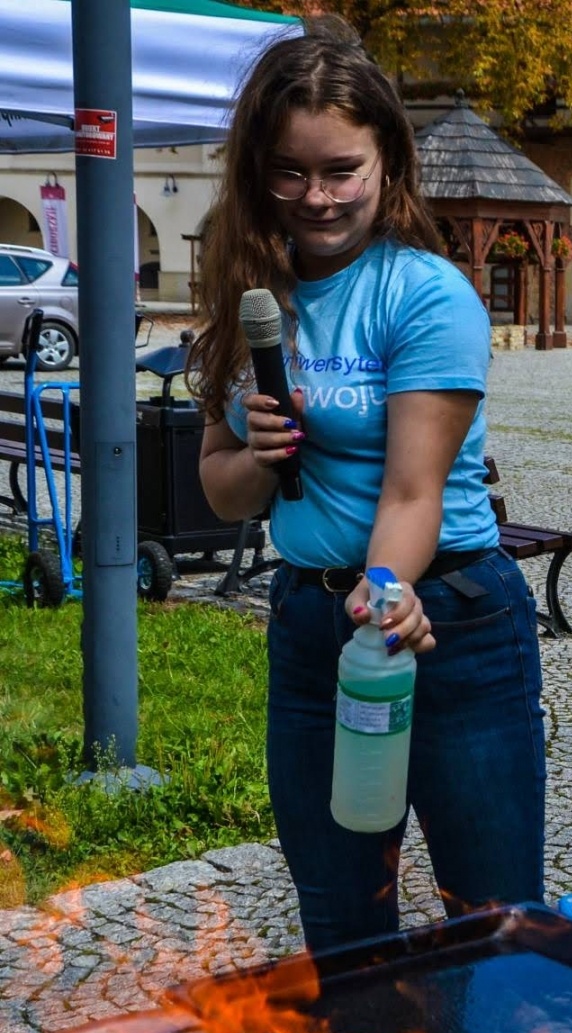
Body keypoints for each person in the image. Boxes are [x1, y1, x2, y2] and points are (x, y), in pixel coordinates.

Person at [190, 25, 546, 954]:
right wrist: (256, 459)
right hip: (311, 630)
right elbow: (222, 491)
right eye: (289, 172)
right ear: (254, 172)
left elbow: (414, 492)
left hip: (444, 619)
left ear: (388, 161)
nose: (317, 198)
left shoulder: (426, 296)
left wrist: (384, 592)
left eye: (342, 170)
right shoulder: (245, 295)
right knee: (344, 924)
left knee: (494, 919)